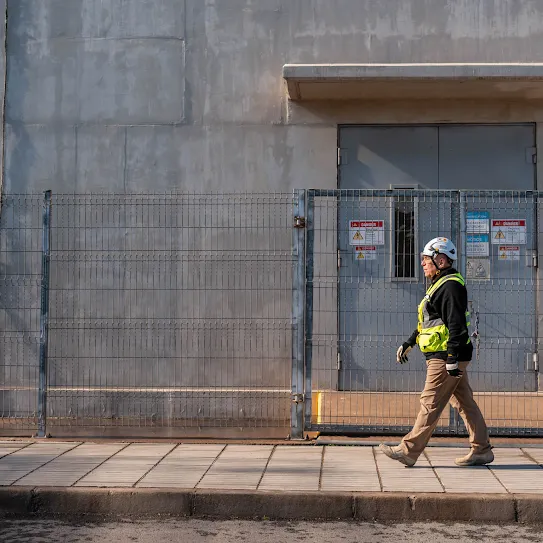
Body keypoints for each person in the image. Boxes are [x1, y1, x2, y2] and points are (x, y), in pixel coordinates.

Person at [379, 237, 493, 467]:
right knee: (464, 402)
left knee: (429, 402)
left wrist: (452, 358)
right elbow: (429, 322)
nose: (422, 263)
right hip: (445, 355)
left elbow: (456, 325)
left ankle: (408, 450)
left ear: (440, 260)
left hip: (445, 357)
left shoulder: (449, 286)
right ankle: (481, 449)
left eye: (425, 259)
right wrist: (410, 342)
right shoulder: (439, 285)